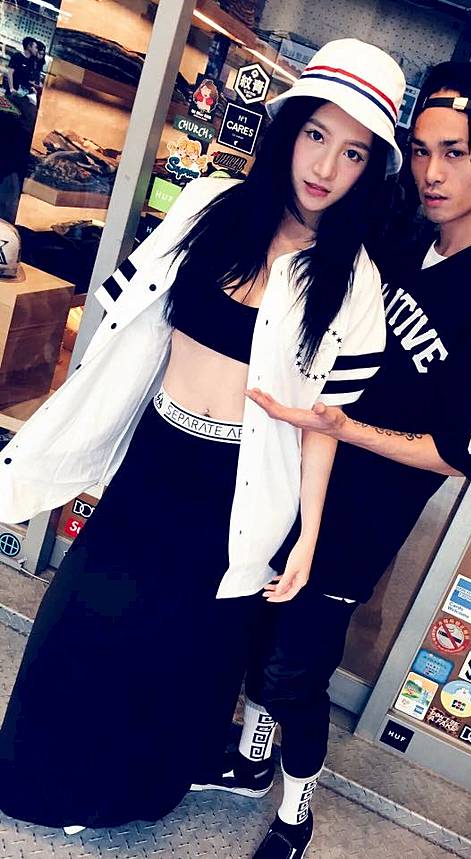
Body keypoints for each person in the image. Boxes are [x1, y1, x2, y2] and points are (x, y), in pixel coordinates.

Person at [0, 39, 405, 835]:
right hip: (158, 456)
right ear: (288, 130)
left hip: (242, 487)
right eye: (316, 135)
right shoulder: (210, 206)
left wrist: (307, 537)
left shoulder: (353, 281)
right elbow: (129, 326)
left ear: (370, 171)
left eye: (354, 152)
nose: (327, 166)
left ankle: (122, 796)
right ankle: (42, 779)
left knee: (179, 654)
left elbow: (322, 426)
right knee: (86, 620)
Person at [208, 62, 471, 859]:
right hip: (296, 472)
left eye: (455, 153)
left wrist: (344, 426)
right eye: (421, 150)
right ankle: (250, 761)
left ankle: (296, 813)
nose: (432, 173)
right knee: (257, 629)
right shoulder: (400, 234)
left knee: (297, 667)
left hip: (362, 516)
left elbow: (458, 453)